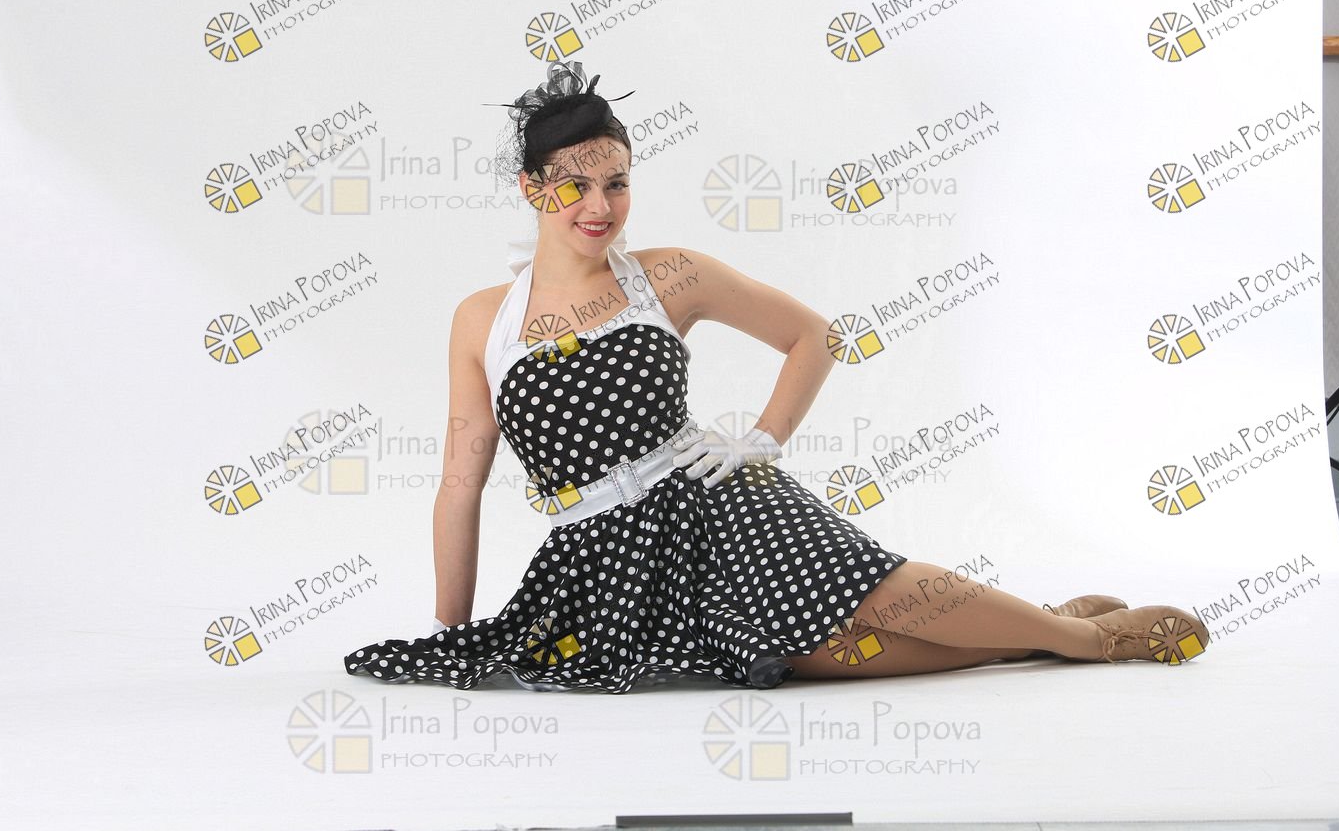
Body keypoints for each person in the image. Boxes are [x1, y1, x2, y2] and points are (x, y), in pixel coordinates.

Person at [341, 60, 1210, 693]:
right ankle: (1043, 631)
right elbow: (460, 485)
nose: (600, 207)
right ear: (533, 189)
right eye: (574, 187)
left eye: (616, 183)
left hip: (719, 501)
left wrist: (760, 440)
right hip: (606, 558)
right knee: (816, 656)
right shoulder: (482, 320)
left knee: (879, 598)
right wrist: (449, 631)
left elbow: (813, 337)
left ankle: (1095, 643)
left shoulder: (666, 276)